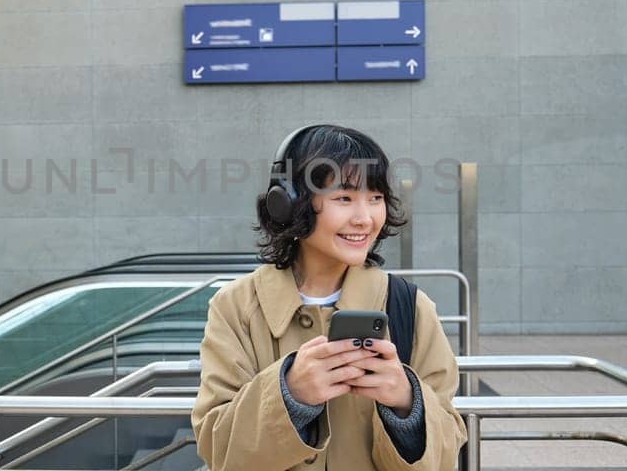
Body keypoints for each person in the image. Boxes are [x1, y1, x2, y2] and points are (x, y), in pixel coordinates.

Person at [191, 124, 468, 470]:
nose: (365, 218)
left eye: (375, 198)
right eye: (344, 198)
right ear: (289, 204)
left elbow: (447, 452)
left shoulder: (410, 306)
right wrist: (291, 395)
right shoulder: (236, 306)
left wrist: (405, 404)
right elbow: (217, 448)